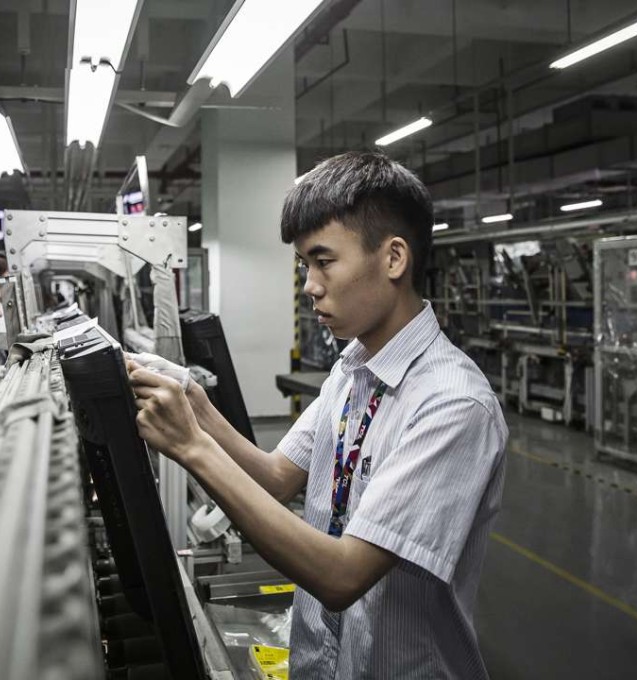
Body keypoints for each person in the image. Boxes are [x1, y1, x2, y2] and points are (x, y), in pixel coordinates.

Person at [128, 151, 507, 678]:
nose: (310, 285)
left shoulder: (452, 404)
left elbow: (343, 575)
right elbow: (277, 478)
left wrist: (192, 447)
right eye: (305, 265)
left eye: (324, 261)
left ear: (393, 258)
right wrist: (196, 403)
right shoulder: (353, 369)